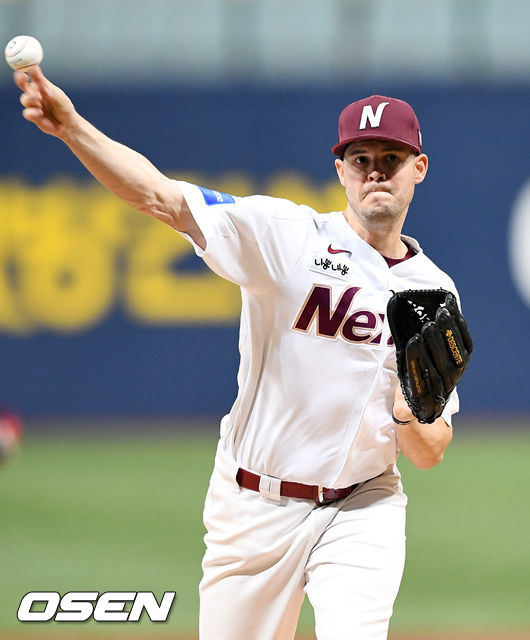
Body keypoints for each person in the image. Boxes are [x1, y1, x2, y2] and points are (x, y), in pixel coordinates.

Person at [15, 67, 462, 640]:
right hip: (254, 505)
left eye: (391, 159)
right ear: (341, 171)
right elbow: (160, 196)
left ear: (418, 168)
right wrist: (72, 128)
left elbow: (428, 453)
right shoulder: (288, 236)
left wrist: (407, 411)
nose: (375, 172)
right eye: (361, 159)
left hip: (362, 506)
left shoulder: (435, 293)